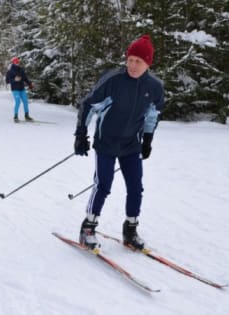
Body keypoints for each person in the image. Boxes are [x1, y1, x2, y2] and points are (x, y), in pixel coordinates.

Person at [74, 35, 165, 250]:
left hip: (131, 145)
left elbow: (152, 115)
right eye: (130, 60)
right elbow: (88, 106)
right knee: (103, 185)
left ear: (147, 64)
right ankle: (88, 228)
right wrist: (81, 134)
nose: (133, 65)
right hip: (106, 142)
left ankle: (130, 230)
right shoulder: (113, 80)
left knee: (135, 187)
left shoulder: (154, 86)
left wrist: (148, 139)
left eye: (138, 61)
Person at [6, 57, 34, 123]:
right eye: (16, 62)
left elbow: (25, 78)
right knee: (18, 101)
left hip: (22, 88)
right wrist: (14, 80)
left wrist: (30, 84)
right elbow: (7, 81)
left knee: (25, 101)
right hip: (15, 89)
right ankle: (15, 116)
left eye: (18, 62)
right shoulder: (10, 71)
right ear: (13, 62)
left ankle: (27, 116)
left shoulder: (21, 69)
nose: (17, 63)